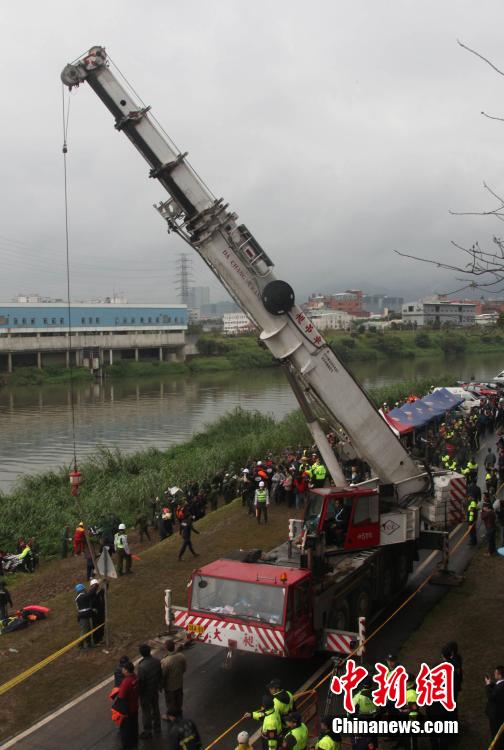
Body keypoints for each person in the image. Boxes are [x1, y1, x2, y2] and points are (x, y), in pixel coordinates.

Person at [137, 643, 162, 739]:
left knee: (146, 711)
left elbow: (141, 682)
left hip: (146, 693)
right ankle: (157, 727)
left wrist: (140, 693)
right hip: (154, 689)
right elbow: (160, 674)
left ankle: (147, 730)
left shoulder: (142, 667)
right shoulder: (156, 661)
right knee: (155, 708)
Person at [114, 660, 139, 750]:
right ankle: (135, 741)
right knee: (134, 726)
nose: (122, 670)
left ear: (127, 670)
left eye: (123, 669)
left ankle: (127, 746)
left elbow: (121, 696)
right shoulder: (135, 677)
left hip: (127, 709)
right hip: (134, 706)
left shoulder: (126, 682)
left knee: (125, 729)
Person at [161, 639, 187, 720]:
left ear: (166, 648)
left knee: (170, 700)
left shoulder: (165, 661)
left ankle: (171, 715)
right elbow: (184, 668)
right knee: (179, 696)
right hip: (179, 681)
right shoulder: (181, 656)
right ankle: (179, 710)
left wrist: (161, 685)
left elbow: (163, 675)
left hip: (170, 685)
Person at [485, 665, 504, 747]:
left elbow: (491, 697)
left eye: (496, 673)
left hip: (496, 715)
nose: (494, 674)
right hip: (500, 713)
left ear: (500, 675)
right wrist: (491, 684)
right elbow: (497, 686)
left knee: (495, 733)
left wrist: (488, 685)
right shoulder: (500, 684)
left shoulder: (500, 687)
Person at [74, 583, 93, 649]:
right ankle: (80, 644)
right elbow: (89, 595)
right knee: (84, 631)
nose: (85, 589)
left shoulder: (81, 596)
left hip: (84, 616)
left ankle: (89, 644)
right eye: (84, 589)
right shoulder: (80, 597)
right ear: (82, 589)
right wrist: (93, 587)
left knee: (88, 630)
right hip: (83, 617)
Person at [89, 578, 105, 645]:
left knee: (102, 626)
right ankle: (96, 641)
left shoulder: (98, 592)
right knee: (96, 627)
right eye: (95, 585)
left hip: (101, 612)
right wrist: (97, 583)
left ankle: (100, 639)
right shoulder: (90, 594)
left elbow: (104, 590)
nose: (96, 587)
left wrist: (106, 583)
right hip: (95, 613)